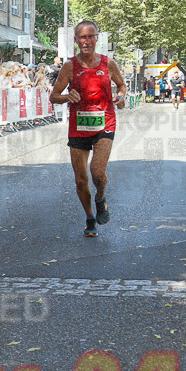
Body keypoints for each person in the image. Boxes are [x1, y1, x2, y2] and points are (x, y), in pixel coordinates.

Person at [49, 20, 127, 238]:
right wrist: (67, 96)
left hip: (105, 122)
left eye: (91, 36)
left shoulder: (108, 63)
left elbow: (121, 85)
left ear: (96, 39)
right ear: (76, 40)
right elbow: (53, 96)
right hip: (78, 125)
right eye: (82, 37)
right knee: (81, 179)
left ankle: (100, 197)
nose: (86, 41)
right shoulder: (70, 66)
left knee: (97, 172)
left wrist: (120, 97)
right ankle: (90, 217)